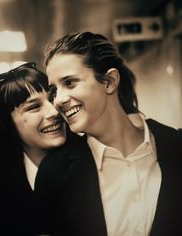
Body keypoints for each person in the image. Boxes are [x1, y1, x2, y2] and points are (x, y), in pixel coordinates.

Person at [36, 31, 182, 236]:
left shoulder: (177, 148)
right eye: (54, 90)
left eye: (69, 83)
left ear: (110, 81)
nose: (58, 100)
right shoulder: (55, 173)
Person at [0, 62, 72, 236]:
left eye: (52, 98)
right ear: (8, 125)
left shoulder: (92, 162)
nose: (54, 112)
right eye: (34, 107)